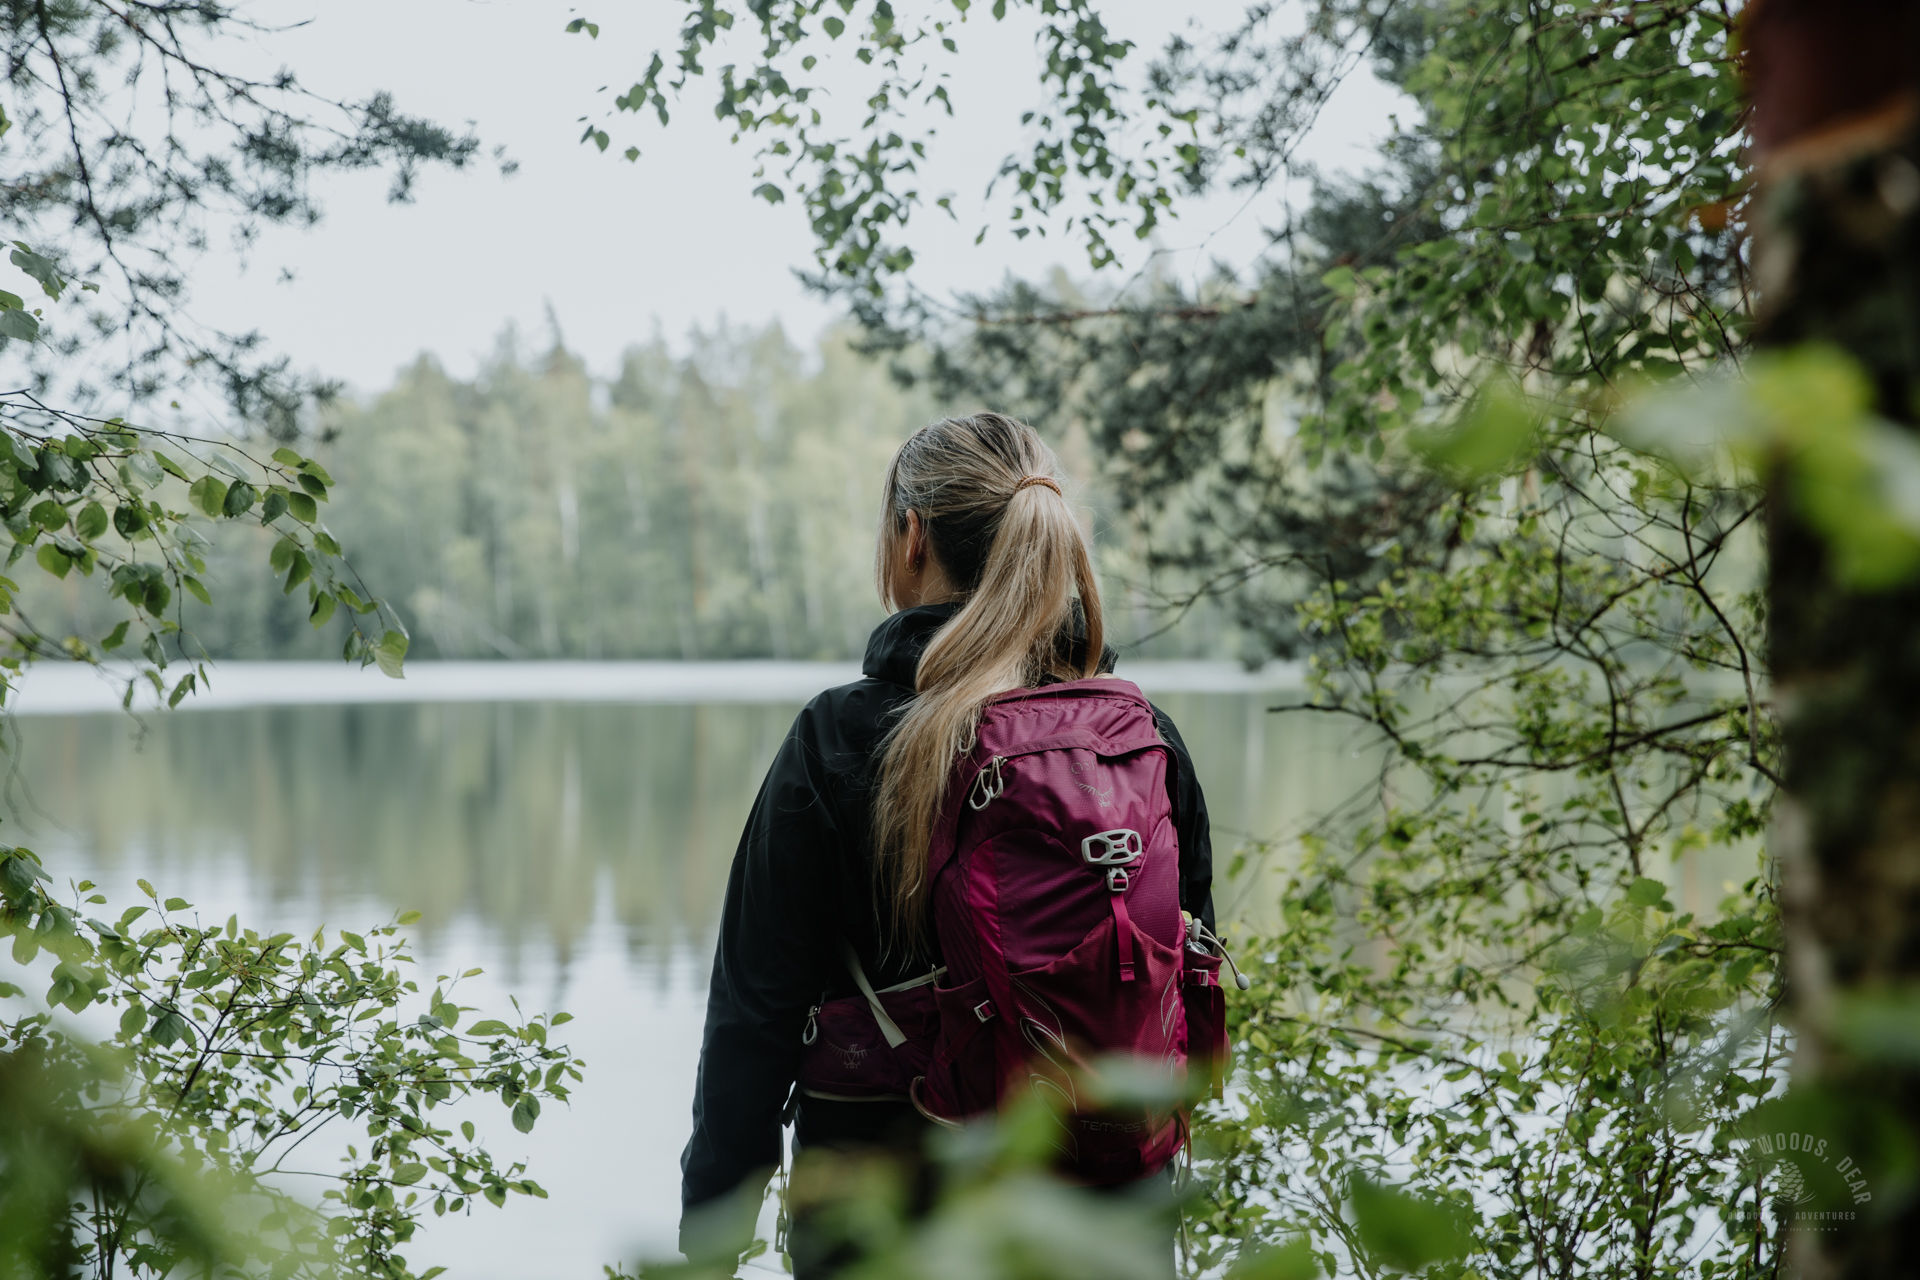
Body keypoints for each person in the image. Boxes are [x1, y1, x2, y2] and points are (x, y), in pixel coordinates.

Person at [678, 412, 1216, 1272]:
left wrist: (708, 1245)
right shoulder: (1138, 735)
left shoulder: (842, 737)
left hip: (891, 1224)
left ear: (910, 532)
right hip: (1105, 1224)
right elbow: (1181, 982)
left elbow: (753, 1021)